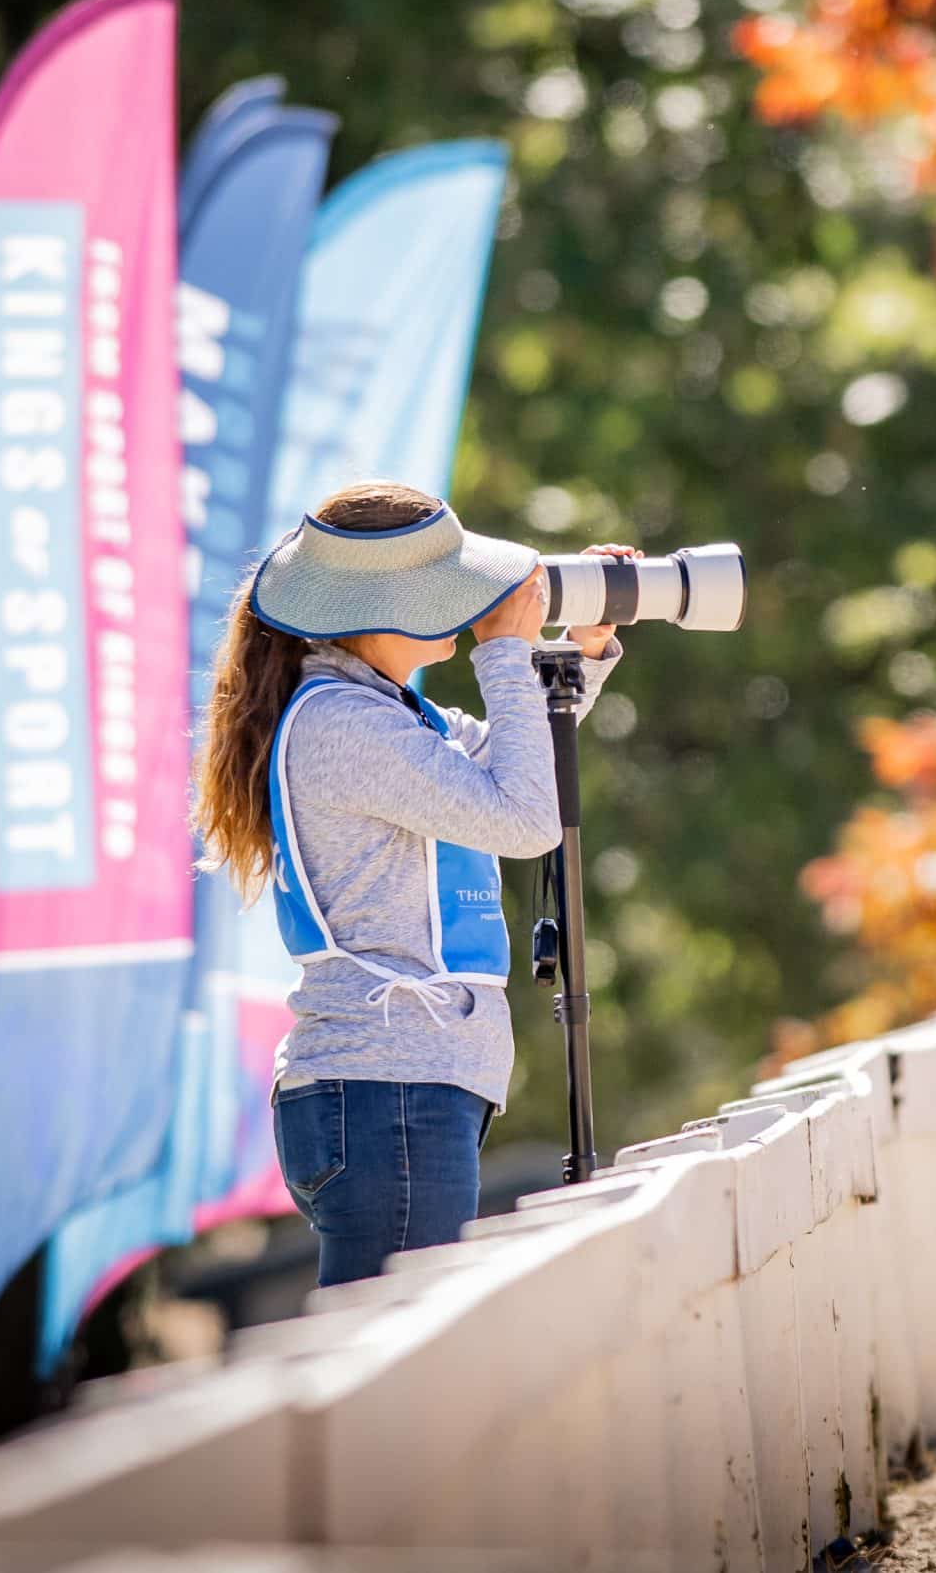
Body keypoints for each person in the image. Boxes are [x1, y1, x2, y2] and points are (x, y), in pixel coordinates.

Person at [192, 478, 635, 1286]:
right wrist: (503, 652)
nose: (467, 603)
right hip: (385, 1090)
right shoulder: (345, 723)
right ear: (386, 606)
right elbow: (528, 820)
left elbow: (521, 760)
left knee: (402, 1336)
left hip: (394, 1088)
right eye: (446, 585)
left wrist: (579, 651)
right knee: (392, 1346)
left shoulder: (388, 714)